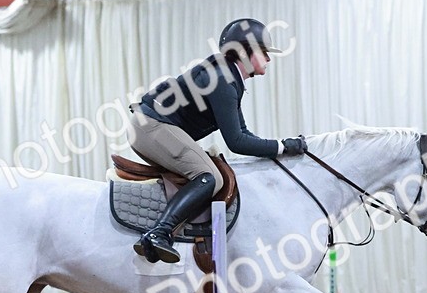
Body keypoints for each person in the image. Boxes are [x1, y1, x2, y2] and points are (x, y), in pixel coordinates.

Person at [127, 18, 306, 264]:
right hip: (150, 127)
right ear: (245, 52)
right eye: (264, 52)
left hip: (152, 124)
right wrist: (283, 147)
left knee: (215, 175)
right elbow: (237, 143)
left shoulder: (228, 77)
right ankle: (159, 232)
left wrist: (281, 146)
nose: (269, 59)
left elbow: (243, 133)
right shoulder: (223, 80)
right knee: (208, 177)